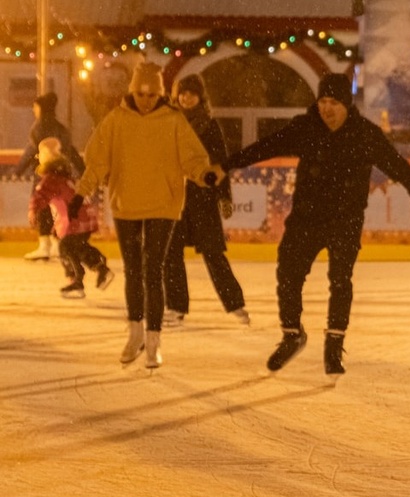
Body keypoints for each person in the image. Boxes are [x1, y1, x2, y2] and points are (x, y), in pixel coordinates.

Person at [224, 73, 410, 375]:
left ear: (346, 104)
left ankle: (334, 343)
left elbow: (399, 167)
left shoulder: (365, 134)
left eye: (334, 103)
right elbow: (266, 146)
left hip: (345, 220)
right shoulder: (306, 128)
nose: (327, 108)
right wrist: (225, 166)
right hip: (306, 218)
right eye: (323, 101)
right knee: (288, 273)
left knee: (340, 281)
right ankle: (292, 334)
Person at [75, 62, 221, 369]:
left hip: (163, 204)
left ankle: (153, 341)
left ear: (161, 93)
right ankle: (135, 334)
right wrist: (81, 191)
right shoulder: (116, 120)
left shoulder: (173, 120)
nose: (145, 99)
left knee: (153, 270)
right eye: (140, 93)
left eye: (152, 93)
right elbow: (97, 161)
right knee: (133, 271)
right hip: (125, 202)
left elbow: (192, 158)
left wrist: (203, 174)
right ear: (132, 91)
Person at [162, 74, 250, 327]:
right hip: (175, 198)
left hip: (202, 198)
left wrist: (224, 195)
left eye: (192, 93)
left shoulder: (210, 126)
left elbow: (220, 162)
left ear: (200, 97)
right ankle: (176, 307)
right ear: (176, 95)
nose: (187, 98)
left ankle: (236, 305)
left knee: (213, 252)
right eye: (183, 93)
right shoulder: (168, 123)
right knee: (171, 254)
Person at [28, 137, 113, 298]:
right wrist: (57, 227)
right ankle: (101, 269)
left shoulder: (50, 178)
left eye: (40, 153)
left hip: (74, 219)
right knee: (78, 247)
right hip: (85, 217)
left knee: (66, 248)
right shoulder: (65, 175)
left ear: (46, 155)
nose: (38, 157)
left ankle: (76, 281)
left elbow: (39, 196)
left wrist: (33, 211)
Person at [15, 92, 86, 262]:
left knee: (42, 207)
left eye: (35, 107)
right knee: (58, 208)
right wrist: (82, 169)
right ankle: (56, 244)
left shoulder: (38, 128)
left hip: (45, 174)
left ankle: (45, 244)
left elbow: (32, 150)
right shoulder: (61, 128)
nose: (33, 110)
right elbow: (70, 150)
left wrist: (18, 170)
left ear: (40, 108)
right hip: (61, 175)